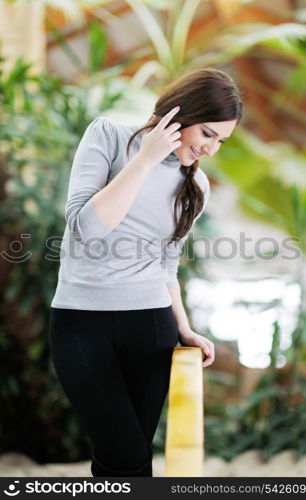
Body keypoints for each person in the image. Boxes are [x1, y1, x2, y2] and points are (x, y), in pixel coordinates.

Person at [48, 67, 243, 477]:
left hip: (151, 327)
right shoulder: (108, 136)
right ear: (180, 114)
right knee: (125, 455)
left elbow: (166, 265)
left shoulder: (197, 187)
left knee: (122, 460)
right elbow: (87, 230)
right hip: (81, 323)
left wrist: (184, 328)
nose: (211, 149)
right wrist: (147, 158)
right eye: (207, 133)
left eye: (221, 140)